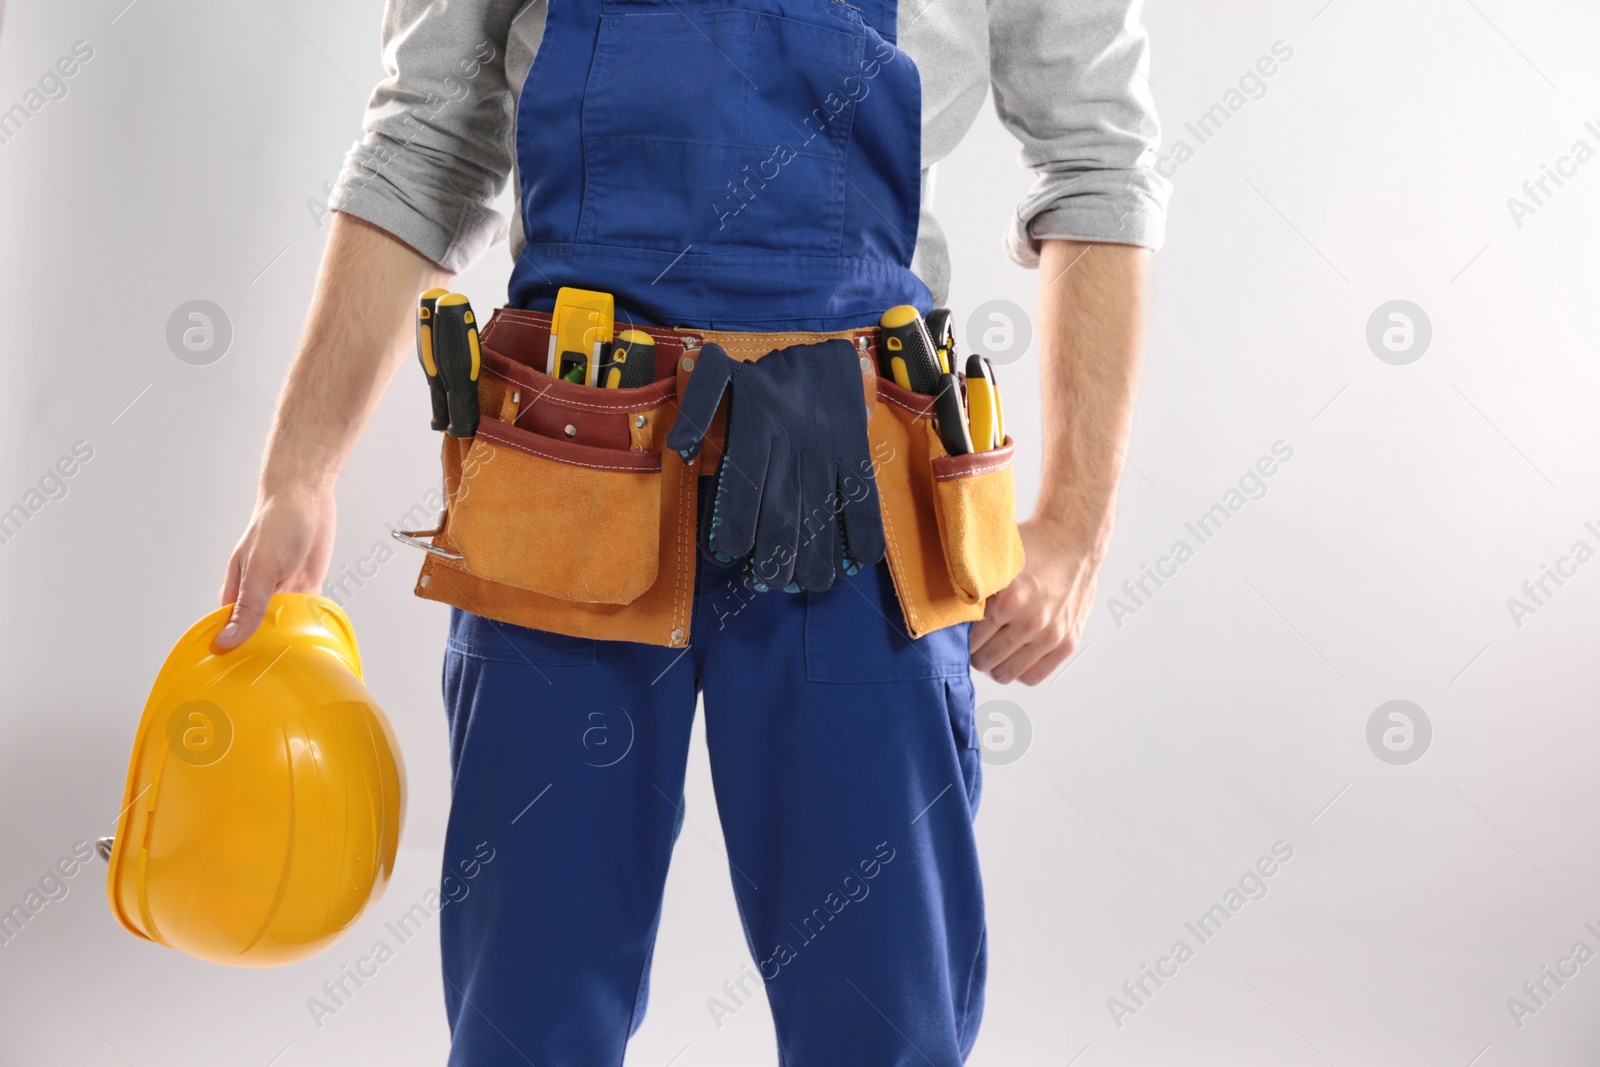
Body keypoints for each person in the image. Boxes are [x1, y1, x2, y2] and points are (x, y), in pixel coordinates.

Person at [216, 0, 1167, 1062]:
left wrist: (1076, 523)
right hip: (565, 484)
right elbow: (424, 142)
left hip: (864, 503)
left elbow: (1097, 156)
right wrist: (297, 469)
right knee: (525, 1019)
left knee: (884, 1023)